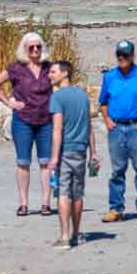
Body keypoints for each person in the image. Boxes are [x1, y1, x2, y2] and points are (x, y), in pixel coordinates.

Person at [0, 32, 56, 217]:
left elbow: (62, 84)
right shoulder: (16, 68)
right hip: (23, 121)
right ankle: (24, 204)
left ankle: (45, 204)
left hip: (46, 121)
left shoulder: (49, 67)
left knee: (46, 163)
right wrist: (8, 102)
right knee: (23, 162)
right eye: (31, 47)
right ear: (24, 49)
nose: (35, 50)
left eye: (38, 46)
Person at [97, 39, 137, 223]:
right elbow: (103, 102)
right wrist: (107, 120)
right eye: (119, 55)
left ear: (132, 56)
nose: (121, 58)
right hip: (116, 128)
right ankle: (115, 209)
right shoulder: (109, 77)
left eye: (125, 55)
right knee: (117, 171)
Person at [48, 60, 98, 248]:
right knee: (78, 194)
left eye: (53, 72)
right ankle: (76, 234)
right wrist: (94, 152)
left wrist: (53, 157)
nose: (50, 75)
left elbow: (57, 129)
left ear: (64, 74)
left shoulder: (57, 97)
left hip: (65, 151)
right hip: (81, 151)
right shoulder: (83, 96)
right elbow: (89, 126)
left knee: (63, 192)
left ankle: (64, 237)